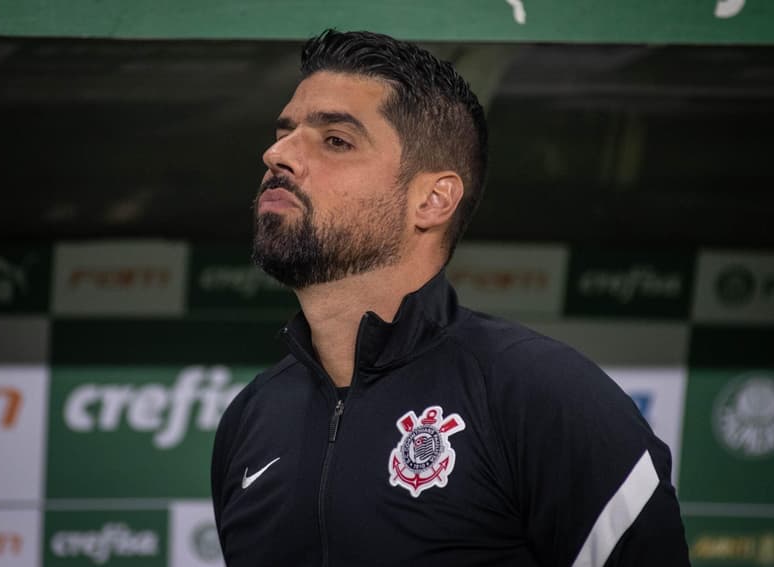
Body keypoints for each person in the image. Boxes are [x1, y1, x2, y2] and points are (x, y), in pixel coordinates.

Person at [211, 29, 690, 566]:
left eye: (336, 141)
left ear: (433, 200)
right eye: (284, 133)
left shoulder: (542, 396)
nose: (276, 154)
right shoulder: (251, 417)